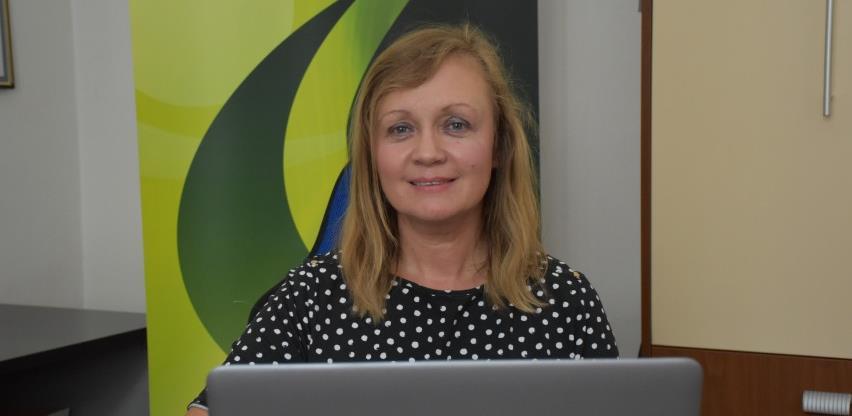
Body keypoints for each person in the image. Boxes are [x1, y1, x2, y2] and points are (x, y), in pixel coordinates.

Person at [186, 23, 618, 416]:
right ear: (373, 157)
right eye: (400, 129)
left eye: (456, 124)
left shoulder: (567, 300)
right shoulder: (310, 297)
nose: (428, 152)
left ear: (499, 146)